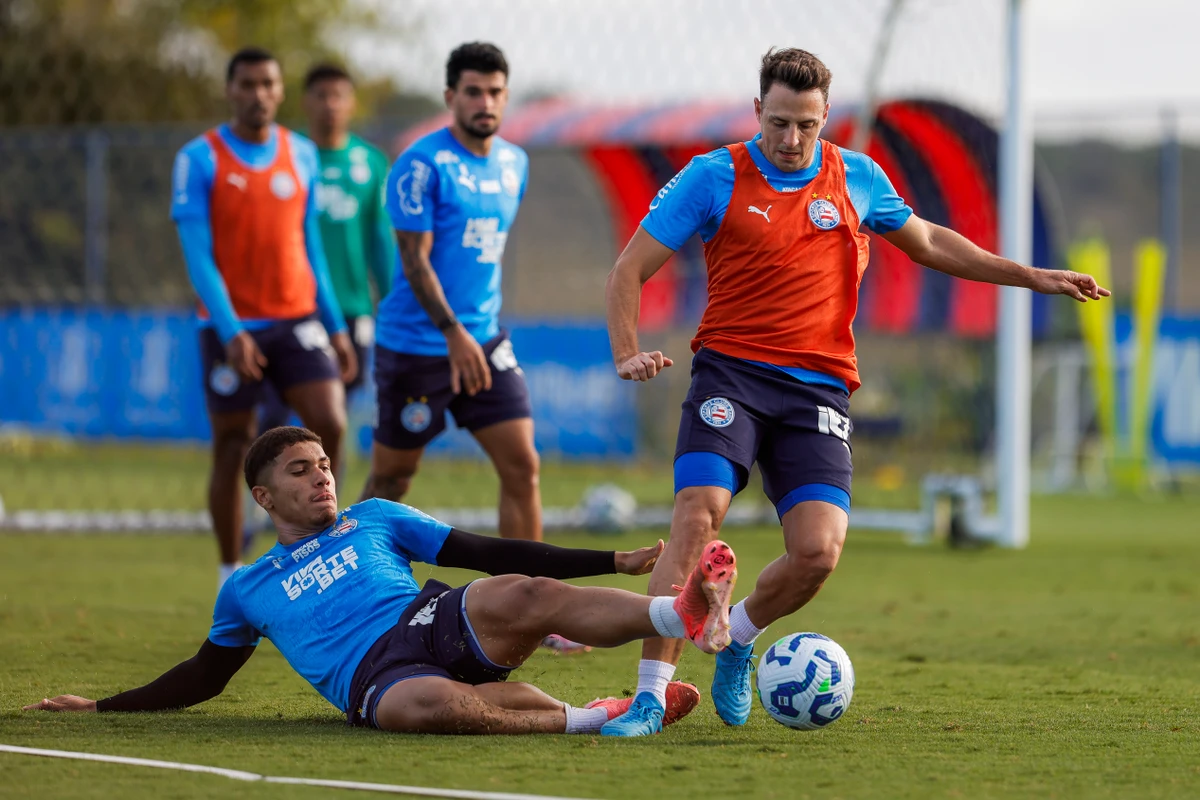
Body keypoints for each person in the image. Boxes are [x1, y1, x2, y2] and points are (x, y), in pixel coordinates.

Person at [600, 48, 1111, 737]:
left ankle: (740, 634)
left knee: (818, 552)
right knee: (698, 513)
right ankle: (649, 698)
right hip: (731, 375)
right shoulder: (713, 175)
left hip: (818, 392)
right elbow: (630, 269)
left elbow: (930, 242)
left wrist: (1032, 276)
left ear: (824, 120)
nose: (789, 140)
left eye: (805, 126)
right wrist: (627, 352)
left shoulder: (857, 178)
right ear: (757, 112)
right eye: (777, 122)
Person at [23, 427, 736, 735]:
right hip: (375, 677)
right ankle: (597, 717)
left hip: (429, 620)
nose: (321, 477)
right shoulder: (247, 586)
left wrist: (610, 561)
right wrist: (103, 708)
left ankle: (681, 614)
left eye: (324, 465)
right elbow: (205, 676)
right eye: (299, 472)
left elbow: (482, 549)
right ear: (265, 500)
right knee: (425, 708)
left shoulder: (371, 516)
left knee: (520, 591)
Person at [171, 47, 358, 588]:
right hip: (231, 325)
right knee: (232, 445)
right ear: (231, 90)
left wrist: (337, 326)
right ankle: (231, 574)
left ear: (280, 92)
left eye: (267, 84)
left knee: (332, 423)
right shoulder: (201, 157)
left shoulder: (300, 153)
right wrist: (230, 330)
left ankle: (320, 550)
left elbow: (310, 247)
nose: (258, 94)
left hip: (297, 318)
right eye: (247, 84)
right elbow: (197, 254)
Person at [363, 42, 540, 545]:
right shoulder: (420, 166)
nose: (485, 102)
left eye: (495, 92)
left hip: (483, 342)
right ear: (450, 96)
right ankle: (343, 578)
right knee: (391, 482)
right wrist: (452, 332)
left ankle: (529, 604)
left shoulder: (515, 164)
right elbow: (415, 263)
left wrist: (470, 333)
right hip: (418, 347)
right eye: (473, 92)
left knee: (522, 466)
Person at [244, 63, 397, 549]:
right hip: (289, 310)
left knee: (334, 419)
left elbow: (380, 242)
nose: (330, 104)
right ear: (306, 102)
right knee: (272, 419)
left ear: (350, 103)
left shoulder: (370, 164)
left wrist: (390, 304)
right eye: (321, 95)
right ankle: (268, 517)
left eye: (339, 95)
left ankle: (325, 515)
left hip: (351, 311)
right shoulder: (290, 156)